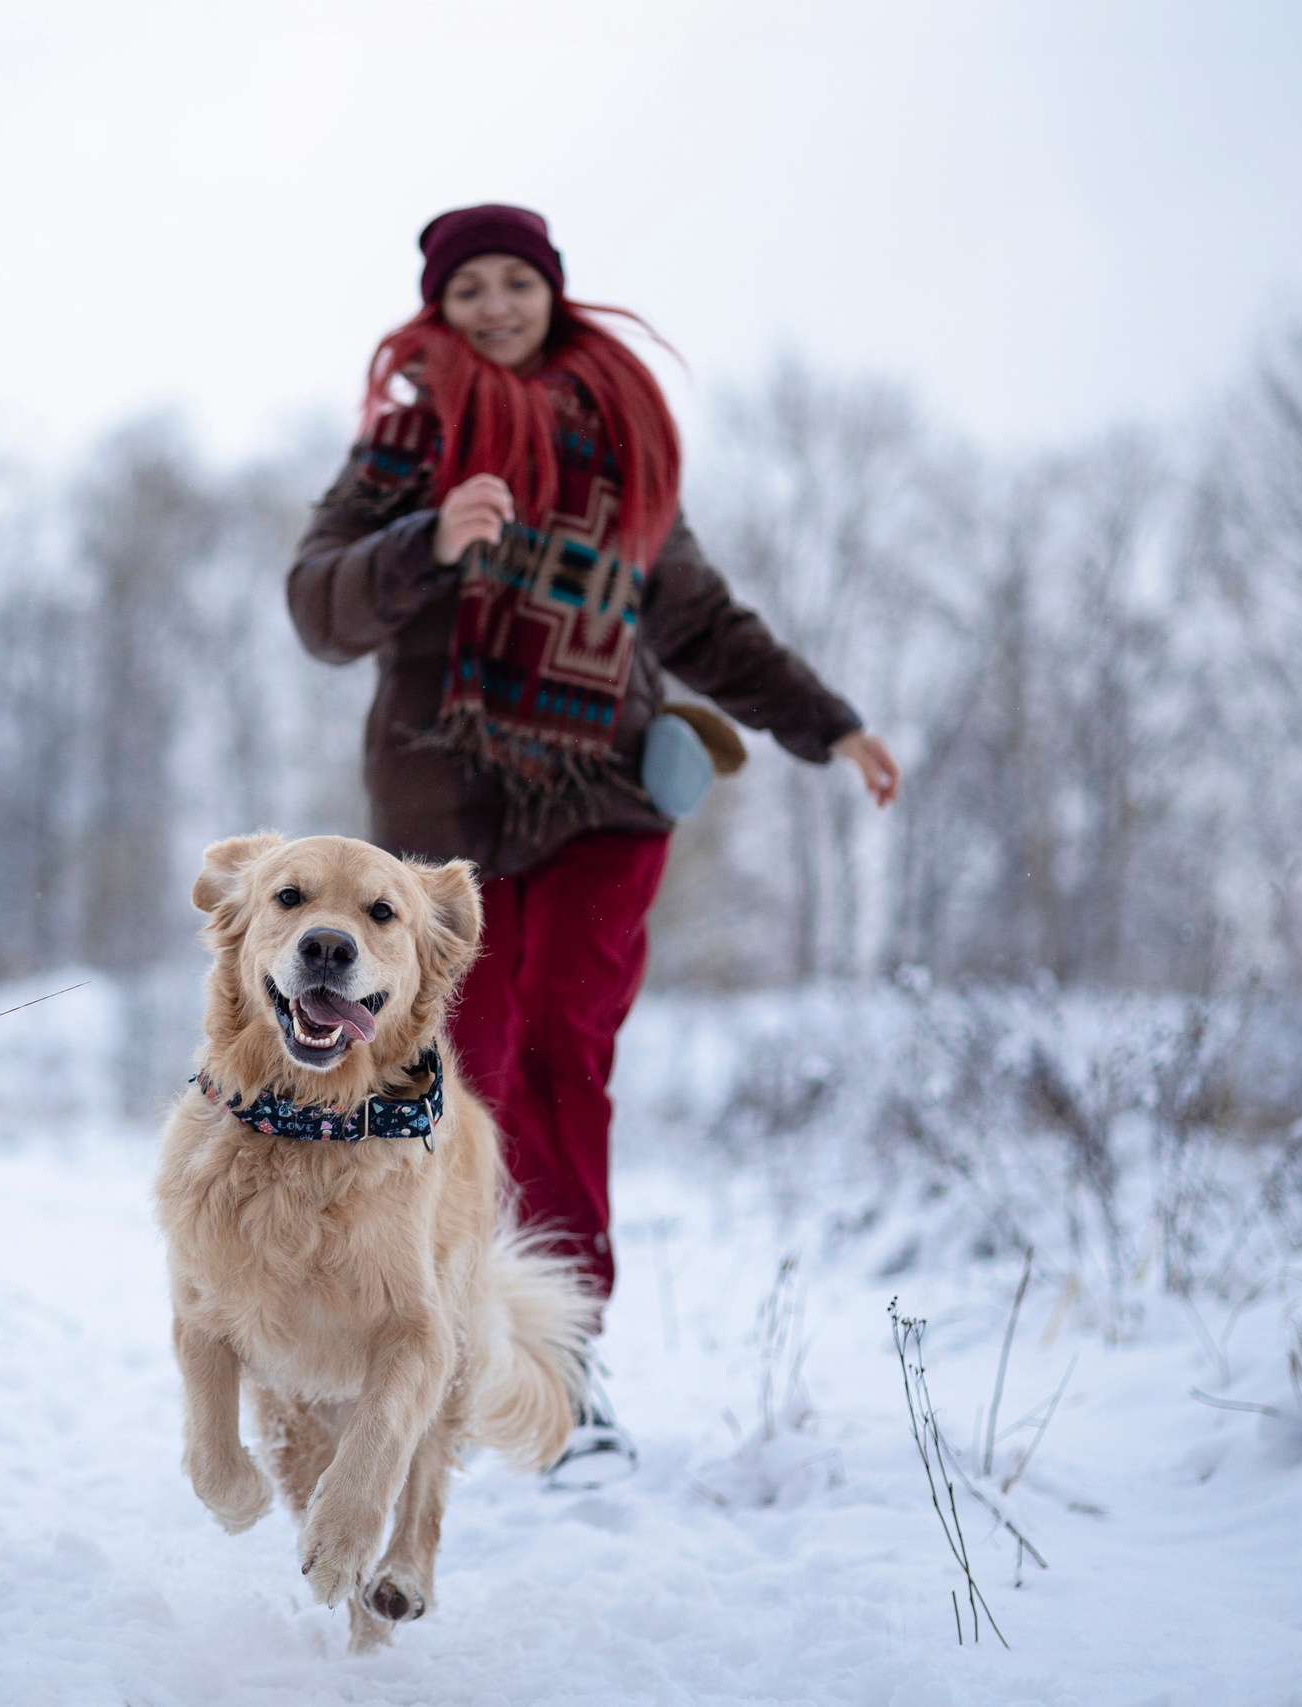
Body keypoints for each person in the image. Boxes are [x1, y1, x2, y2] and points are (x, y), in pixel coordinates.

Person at [286, 204, 899, 1485]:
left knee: (566, 1052)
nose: (495, 307)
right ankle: (447, 1338)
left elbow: (706, 626)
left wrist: (828, 726)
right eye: (470, 291)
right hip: (448, 822)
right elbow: (318, 605)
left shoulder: (626, 461)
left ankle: (567, 1368)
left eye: (516, 283)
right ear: (438, 310)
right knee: (478, 1072)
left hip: (605, 798)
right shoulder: (407, 449)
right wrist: (426, 541)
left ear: (554, 295)